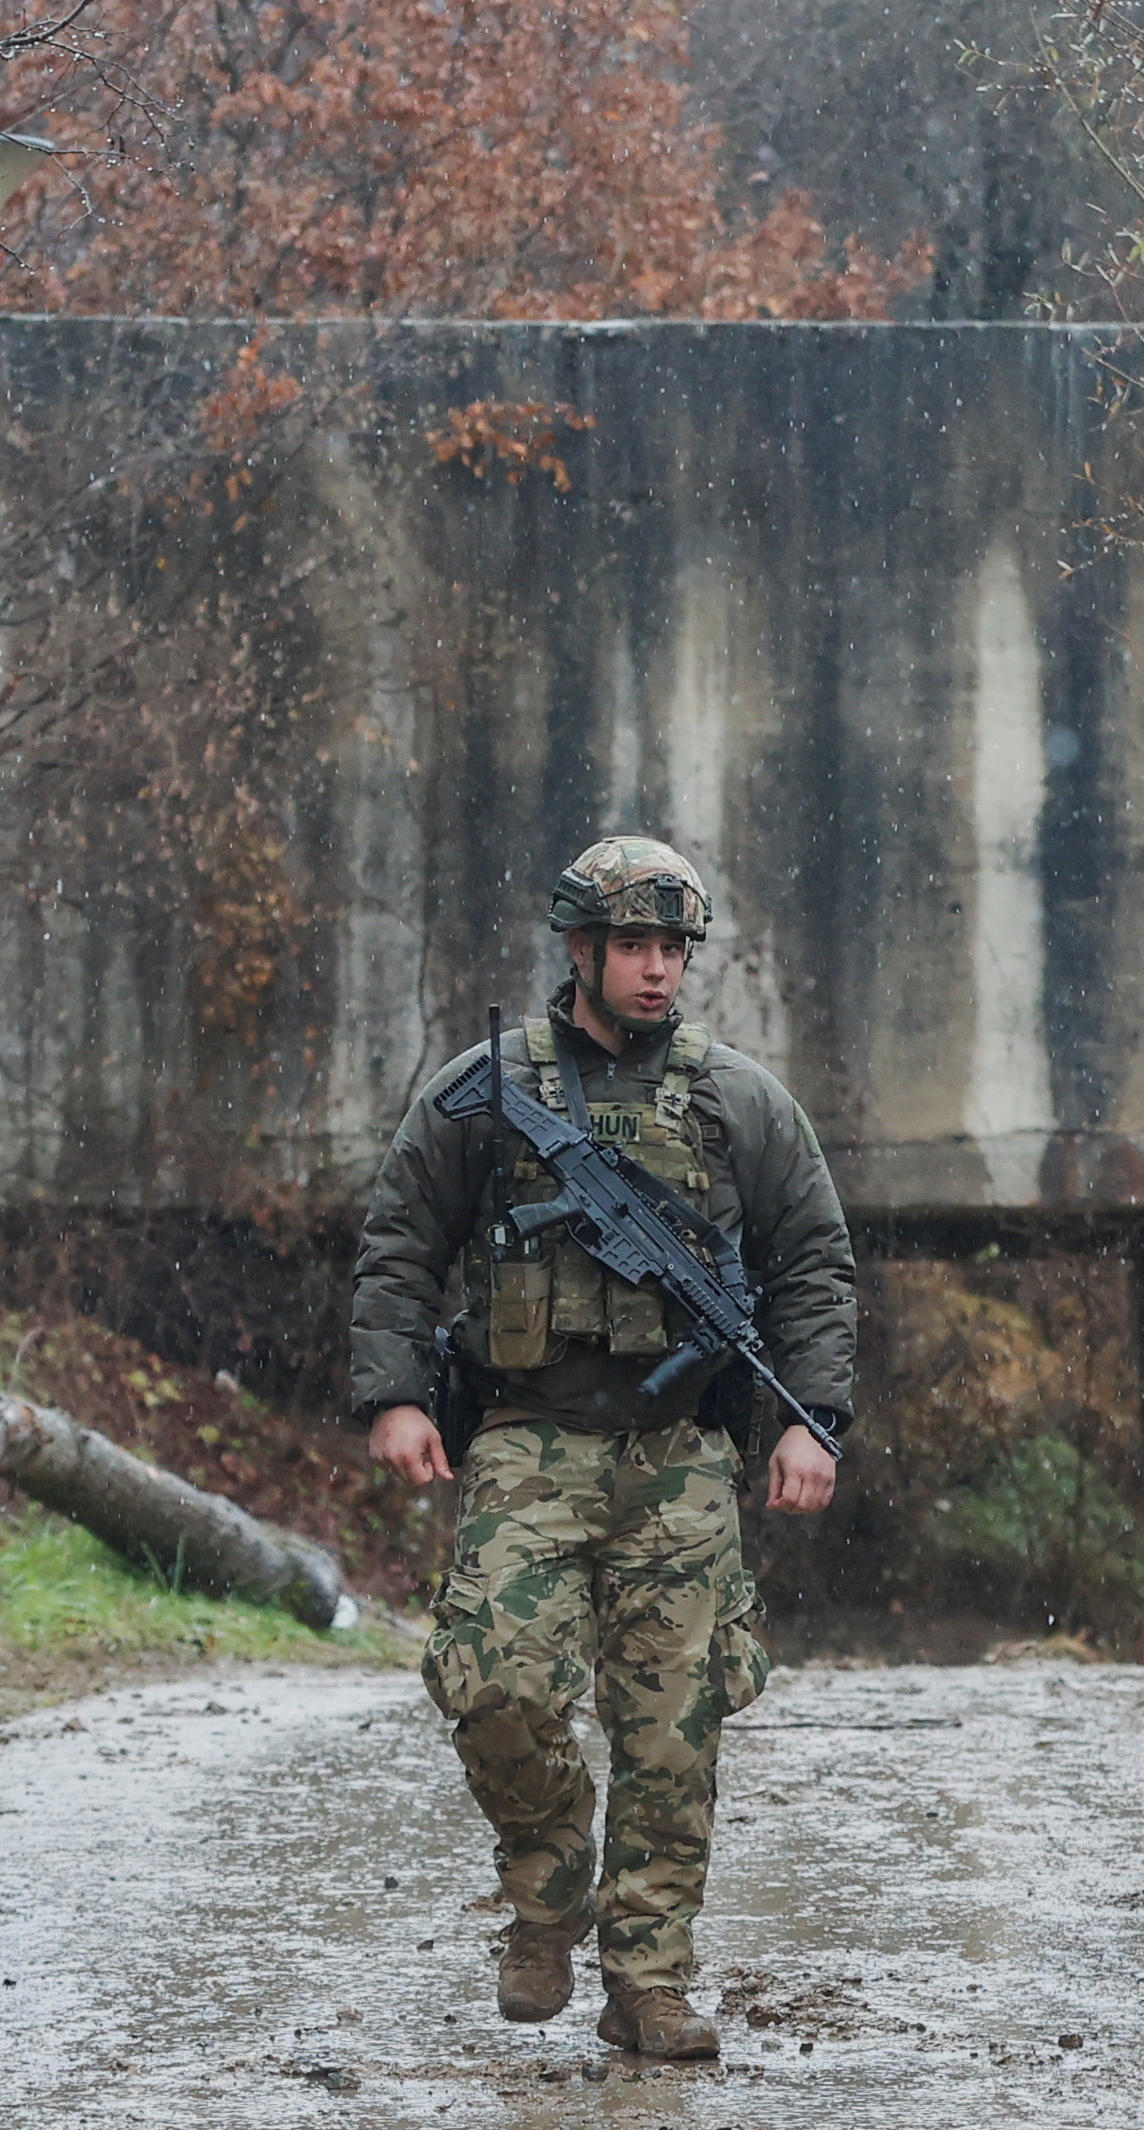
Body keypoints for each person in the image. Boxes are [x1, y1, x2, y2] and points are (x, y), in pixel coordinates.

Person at [351, 836, 856, 2062]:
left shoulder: (738, 1100)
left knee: (675, 1725)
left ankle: (648, 1977)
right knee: (498, 1687)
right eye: (630, 947)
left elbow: (812, 1265)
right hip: (528, 1438)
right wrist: (395, 1395)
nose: (653, 972)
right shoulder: (490, 1087)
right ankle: (545, 1885)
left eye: (671, 951)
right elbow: (400, 1240)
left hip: (679, 1453)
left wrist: (809, 1417)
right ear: (579, 950)